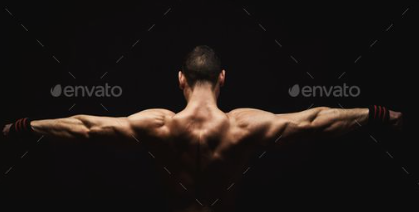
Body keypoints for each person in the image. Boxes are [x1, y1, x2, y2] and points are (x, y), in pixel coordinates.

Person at [2, 45, 403, 212]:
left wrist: (23, 127)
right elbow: (315, 120)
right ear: (223, 78)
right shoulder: (244, 125)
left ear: (180, 79)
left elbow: (85, 127)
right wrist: (377, 113)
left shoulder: (157, 125)